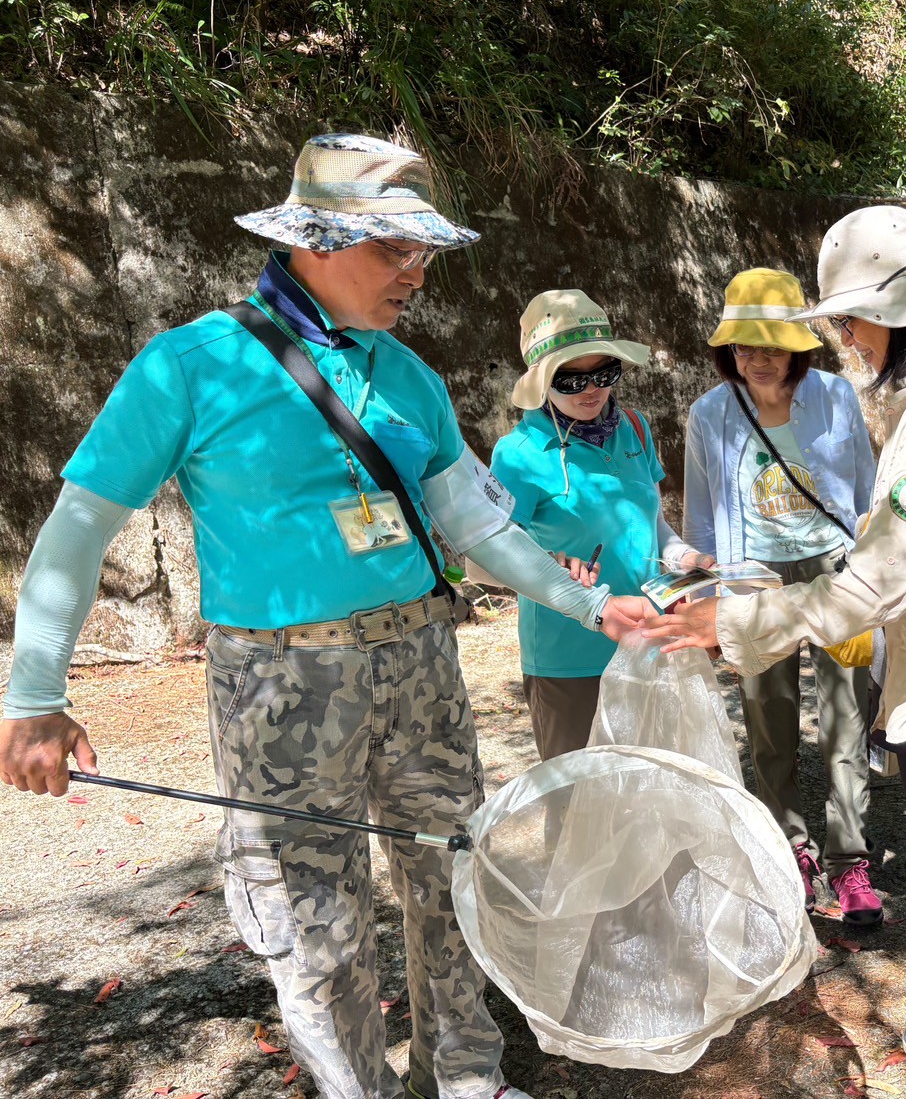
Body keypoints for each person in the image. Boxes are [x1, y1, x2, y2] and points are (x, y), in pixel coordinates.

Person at [0, 134, 653, 1099]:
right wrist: (34, 695)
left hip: (421, 661)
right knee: (311, 920)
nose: (417, 273)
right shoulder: (192, 366)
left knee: (453, 880)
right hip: (280, 682)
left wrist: (592, 605)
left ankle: (464, 1077)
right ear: (315, 241)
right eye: (395, 249)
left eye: (423, 251)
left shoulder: (410, 376)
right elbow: (78, 527)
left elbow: (476, 522)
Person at [645, 206, 906, 1091]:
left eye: (848, 320)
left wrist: (735, 625)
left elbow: (877, 580)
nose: (845, 338)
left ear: (895, 313)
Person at [683, 267, 881, 925]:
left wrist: (870, 569)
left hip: (834, 572)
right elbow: (702, 517)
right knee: (768, 721)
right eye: (745, 347)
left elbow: (865, 491)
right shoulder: (710, 413)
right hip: (753, 576)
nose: (758, 360)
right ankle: (791, 847)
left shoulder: (835, 396)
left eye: (772, 346)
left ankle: (850, 859)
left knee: (846, 717)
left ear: (798, 348)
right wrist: (711, 598)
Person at [490, 289, 711, 760]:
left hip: (647, 636)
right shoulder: (517, 454)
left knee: (650, 780)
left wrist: (683, 557)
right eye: (571, 379)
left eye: (604, 373)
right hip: (568, 655)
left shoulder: (634, 426)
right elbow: (490, 555)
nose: (591, 390)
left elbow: (652, 520)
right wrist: (554, 562)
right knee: (577, 785)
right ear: (542, 381)